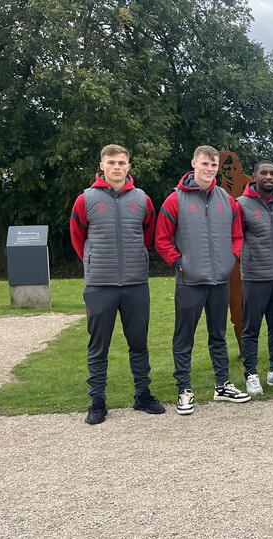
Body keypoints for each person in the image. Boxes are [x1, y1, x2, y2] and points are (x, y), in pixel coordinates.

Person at [69, 144, 163, 424]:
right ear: (102, 166)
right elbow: (78, 237)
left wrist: (135, 259)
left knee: (139, 343)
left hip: (135, 283)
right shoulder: (85, 200)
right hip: (100, 283)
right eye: (112, 162)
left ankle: (143, 395)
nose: (117, 167)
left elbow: (147, 235)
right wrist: (93, 261)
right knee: (99, 345)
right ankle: (97, 401)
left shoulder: (142, 199)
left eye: (122, 162)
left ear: (129, 167)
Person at [156, 145, 249, 415]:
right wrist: (180, 263)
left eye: (214, 165)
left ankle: (222, 385)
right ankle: (184, 389)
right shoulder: (175, 200)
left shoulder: (227, 200)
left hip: (219, 279)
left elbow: (237, 235)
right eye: (205, 164)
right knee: (184, 337)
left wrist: (231, 258)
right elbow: (162, 240)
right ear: (194, 164)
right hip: (190, 281)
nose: (209, 169)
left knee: (218, 334)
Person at [235, 160, 273, 393]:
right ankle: (251, 374)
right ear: (255, 176)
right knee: (251, 328)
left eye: (272, 172)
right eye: (264, 172)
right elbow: (236, 237)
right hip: (255, 276)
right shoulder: (241, 204)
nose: (269, 176)